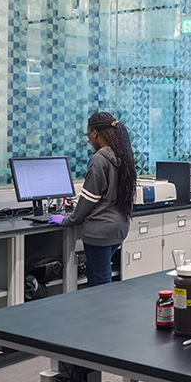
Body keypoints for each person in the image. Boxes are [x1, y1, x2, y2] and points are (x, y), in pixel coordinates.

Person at [49, 112, 137, 286]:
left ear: (96, 134)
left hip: (100, 230)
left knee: (99, 281)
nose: (88, 140)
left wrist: (68, 220)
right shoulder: (123, 156)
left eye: (88, 135)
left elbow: (89, 199)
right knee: (102, 275)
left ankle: (103, 313)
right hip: (120, 227)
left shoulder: (99, 159)